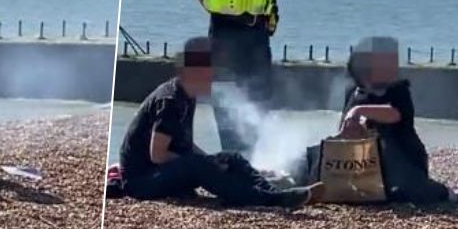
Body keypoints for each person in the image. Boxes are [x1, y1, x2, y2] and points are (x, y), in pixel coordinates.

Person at [118, 37, 324, 208]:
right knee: (199, 165)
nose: (212, 78)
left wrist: (213, 162)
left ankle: (275, 192)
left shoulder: (187, 95)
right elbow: (158, 155)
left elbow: (183, 145)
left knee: (230, 158)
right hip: (142, 181)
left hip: (159, 173)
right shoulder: (170, 101)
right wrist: (204, 165)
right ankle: (268, 200)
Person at [327, 36, 458, 207]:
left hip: (404, 159)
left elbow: (395, 114)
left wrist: (358, 111)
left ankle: (454, 196)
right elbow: (344, 126)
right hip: (364, 161)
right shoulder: (353, 91)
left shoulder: (398, 89)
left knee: (407, 192)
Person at [194, 0, 280, 154]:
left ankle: (257, 154)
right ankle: (232, 153)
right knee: (226, 95)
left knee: (260, 95)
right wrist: (225, 15)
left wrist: (270, 16)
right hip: (225, 36)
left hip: (257, 35)